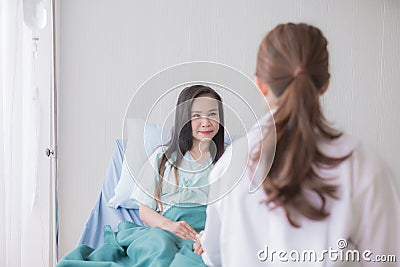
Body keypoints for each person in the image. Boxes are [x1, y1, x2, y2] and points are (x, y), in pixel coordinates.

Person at [194, 23, 400, 266]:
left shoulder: (229, 165)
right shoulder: (366, 167)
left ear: (260, 85)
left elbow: (215, 255)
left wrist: (206, 242)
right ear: (324, 85)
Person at [57, 84, 225, 266]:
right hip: (166, 230)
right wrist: (170, 226)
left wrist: (210, 237)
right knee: (160, 248)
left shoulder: (228, 162)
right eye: (196, 115)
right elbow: (145, 211)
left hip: (206, 234)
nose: (206, 122)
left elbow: (232, 213)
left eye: (212, 114)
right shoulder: (164, 159)